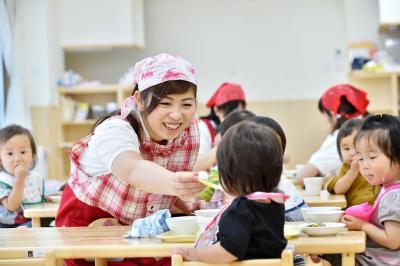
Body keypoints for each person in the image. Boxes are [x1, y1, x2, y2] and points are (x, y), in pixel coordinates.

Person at [55, 54, 205, 265]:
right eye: (166, 103)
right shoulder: (116, 130)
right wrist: (176, 184)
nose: (177, 114)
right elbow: (133, 171)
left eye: (187, 104)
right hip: (89, 224)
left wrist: (182, 199)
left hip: (141, 226)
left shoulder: (191, 132)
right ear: (140, 100)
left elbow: (156, 179)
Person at [173, 121, 287, 263]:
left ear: (229, 174)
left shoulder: (240, 209)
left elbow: (229, 250)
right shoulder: (275, 202)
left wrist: (197, 254)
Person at [340, 114, 400, 265]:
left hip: (382, 261)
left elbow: (393, 241)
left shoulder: (393, 196)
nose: (365, 165)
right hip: (380, 256)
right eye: (360, 159)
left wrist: (362, 225)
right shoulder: (389, 188)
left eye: (372, 157)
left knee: (335, 256)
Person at [296, 84, 369, 184]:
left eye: (324, 114)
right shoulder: (370, 128)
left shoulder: (341, 136)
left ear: (332, 113)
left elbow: (302, 177)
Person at [327, 118, 381, 207]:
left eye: (356, 147)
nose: (352, 153)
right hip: (351, 209)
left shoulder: (374, 164)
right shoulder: (346, 167)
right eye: (346, 149)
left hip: (374, 209)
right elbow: (338, 190)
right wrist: (353, 172)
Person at [0, 124, 44, 228]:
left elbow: (32, 196)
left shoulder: (34, 177)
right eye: (10, 154)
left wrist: (44, 198)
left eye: (23, 152)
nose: (17, 158)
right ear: (0, 160)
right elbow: (12, 206)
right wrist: (19, 179)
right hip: (7, 226)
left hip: (31, 220)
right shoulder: (3, 181)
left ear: (32, 155)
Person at [197, 82, 246, 155]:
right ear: (216, 110)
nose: (235, 118)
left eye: (240, 113)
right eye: (231, 112)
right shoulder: (203, 127)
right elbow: (198, 164)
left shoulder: (243, 127)